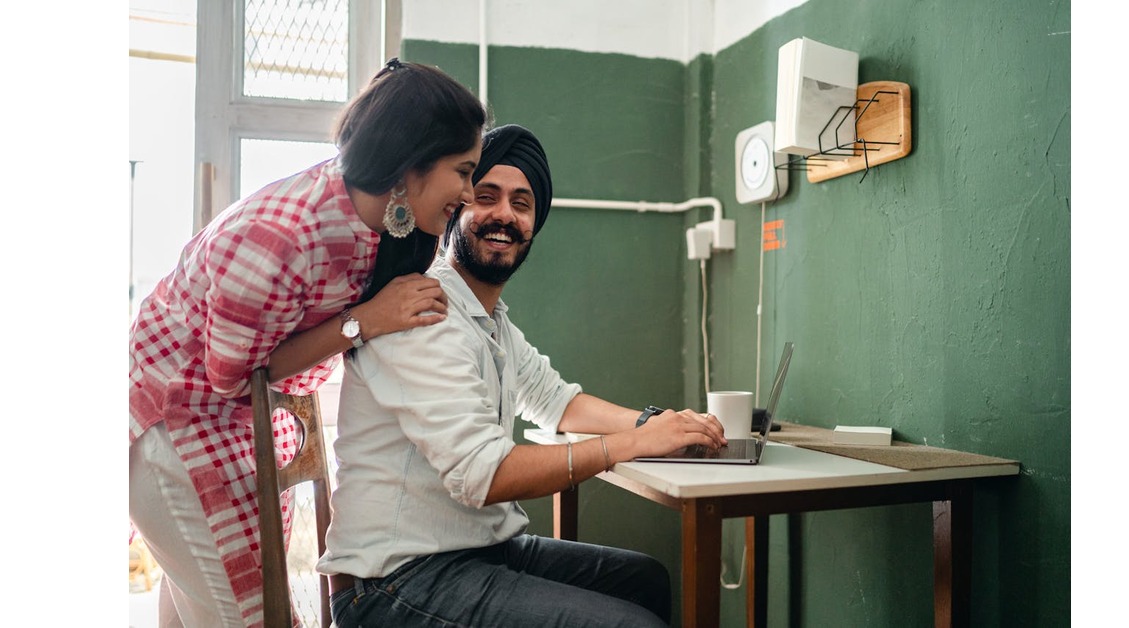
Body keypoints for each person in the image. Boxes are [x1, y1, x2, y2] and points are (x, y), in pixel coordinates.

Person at [317, 124, 728, 627]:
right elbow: (482, 474)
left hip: (476, 550)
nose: (504, 215)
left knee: (645, 580)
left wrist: (653, 423)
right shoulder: (423, 309)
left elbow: (556, 401)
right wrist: (632, 444)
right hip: (394, 580)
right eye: (485, 197)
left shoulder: (490, 318)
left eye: (521, 203)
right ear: (455, 208)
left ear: (535, 222)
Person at [129, 59, 487, 627]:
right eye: (463, 172)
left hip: (237, 427)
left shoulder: (379, 225)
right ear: (410, 163)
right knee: (250, 617)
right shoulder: (276, 237)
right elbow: (231, 377)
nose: (468, 194)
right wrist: (365, 320)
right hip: (177, 427)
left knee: (204, 612)